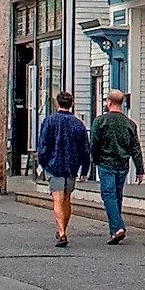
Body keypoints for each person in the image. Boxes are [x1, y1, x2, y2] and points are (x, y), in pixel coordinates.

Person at [35, 90, 93, 246]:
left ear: (57, 103)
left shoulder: (50, 121)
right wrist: (84, 169)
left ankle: (61, 232)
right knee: (67, 199)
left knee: (57, 199)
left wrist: (42, 162)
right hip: (71, 166)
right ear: (71, 104)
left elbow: (43, 144)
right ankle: (63, 229)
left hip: (54, 165)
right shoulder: (78, 124)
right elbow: (85, 149)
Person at [90, 89, 145, 245]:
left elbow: (94, 144)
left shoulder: (100, 121)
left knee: (108, 195)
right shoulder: (130, 124)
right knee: (117, 196)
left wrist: (91, 163)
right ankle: (115, 229)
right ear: (122, 103)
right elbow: (135, 148)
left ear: (108, 102)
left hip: (105, 163)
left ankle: (117, 227)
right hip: (122, 164)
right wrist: (140, 169)